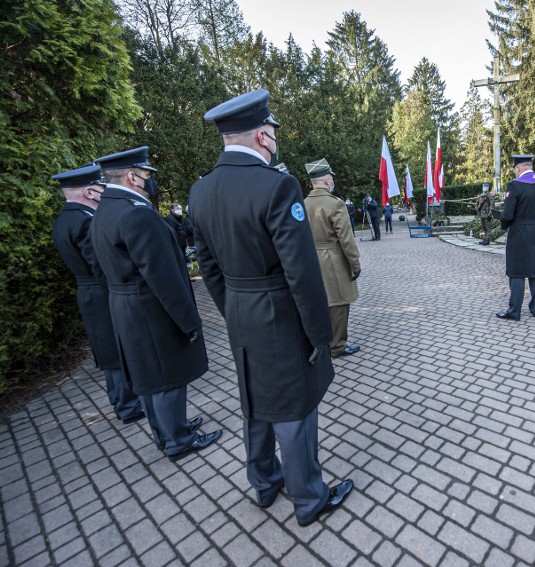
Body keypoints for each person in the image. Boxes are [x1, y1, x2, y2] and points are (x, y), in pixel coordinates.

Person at [188, 90, 352, 525]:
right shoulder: (276, 185)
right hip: (279, 312)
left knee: (255, 401)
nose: (275, 139)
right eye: (273, 132)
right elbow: (300, 272)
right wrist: (318, 333)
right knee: (294, 408)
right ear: (263, 136)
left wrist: (232, 308)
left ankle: (264, 484)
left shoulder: (200, 190)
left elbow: (208, 266)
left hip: (241, 311)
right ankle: (309, 498)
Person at [90, 146, 220, 461]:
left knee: (148, 375)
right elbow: (162, 275)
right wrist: (189, 320)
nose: (150, 181)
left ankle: (165, 431)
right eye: (147, 175)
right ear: (133, 176)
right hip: (150, 308)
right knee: (166, 376)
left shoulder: (105, 209)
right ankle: (179, 438)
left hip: (125, 306)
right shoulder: (136, 213)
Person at [50, 164, 144, 424]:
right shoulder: (85, 221)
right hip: (102, 290)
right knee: (116, 348)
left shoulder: (64, 219)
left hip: (87, 290)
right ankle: (128, 404)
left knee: (106, 348)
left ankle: (120, 399)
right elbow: (99, 264)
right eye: (99, 187)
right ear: (90, 192)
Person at [304, 158, 362, 358]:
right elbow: (347, 240)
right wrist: (355, 265)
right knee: (338, 304)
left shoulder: (302, 204)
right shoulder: (335, 204)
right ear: (328, 180)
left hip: (311, 259)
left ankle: (321, 343)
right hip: (333, 260)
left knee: (320, 303)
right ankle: (336, 346)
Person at [496, 155, 535, 321]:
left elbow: (506, 215)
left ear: (518, 168)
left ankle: (514, 311)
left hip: (519, 232)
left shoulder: (515, 186)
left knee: (517, 272)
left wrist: (504, 225)